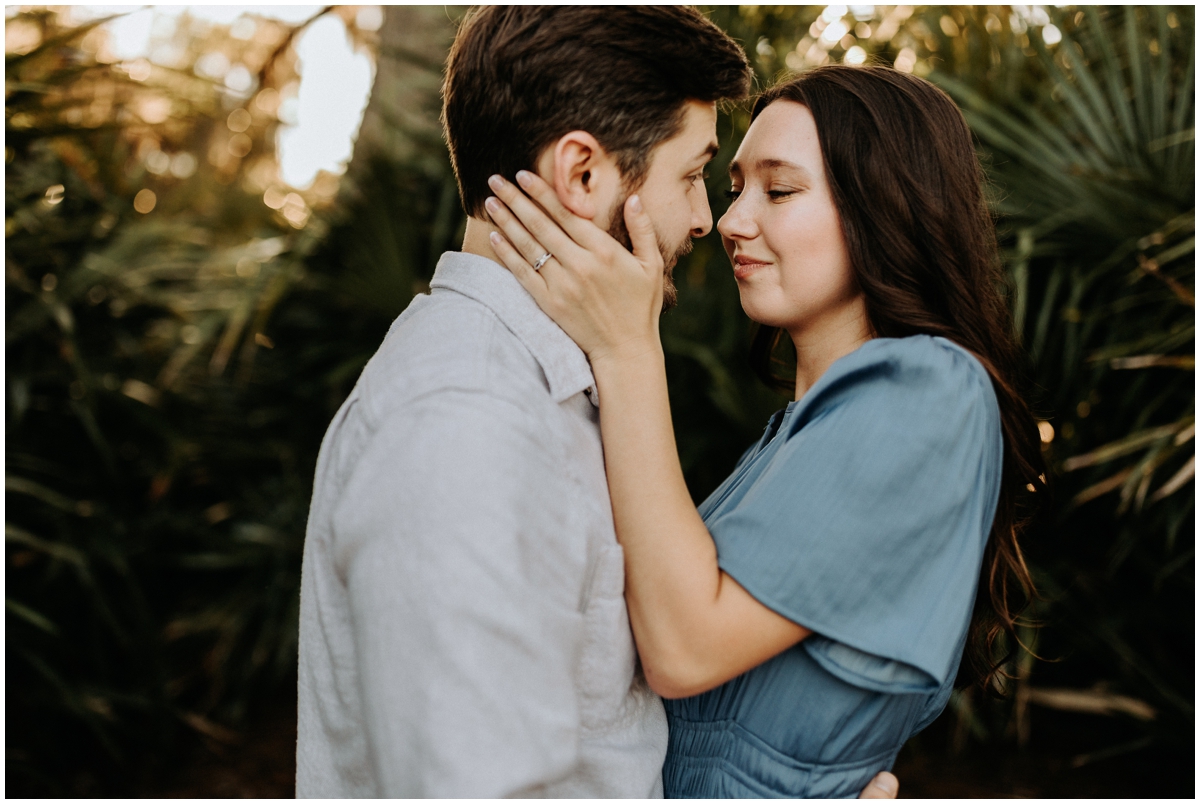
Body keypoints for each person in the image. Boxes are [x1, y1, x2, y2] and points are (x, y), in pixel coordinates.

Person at [295, 7, 902, 798]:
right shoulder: (466, 420)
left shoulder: (543, 391)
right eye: (690, 176)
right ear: (582, 174)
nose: (704, 219)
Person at [485, 64, 1047, 797]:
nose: (730, 221)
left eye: (778, 190)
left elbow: (684, 648)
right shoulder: (795, 436)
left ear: (884, 206)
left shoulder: (932, 388)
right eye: (733, 188)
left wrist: (627, 348)